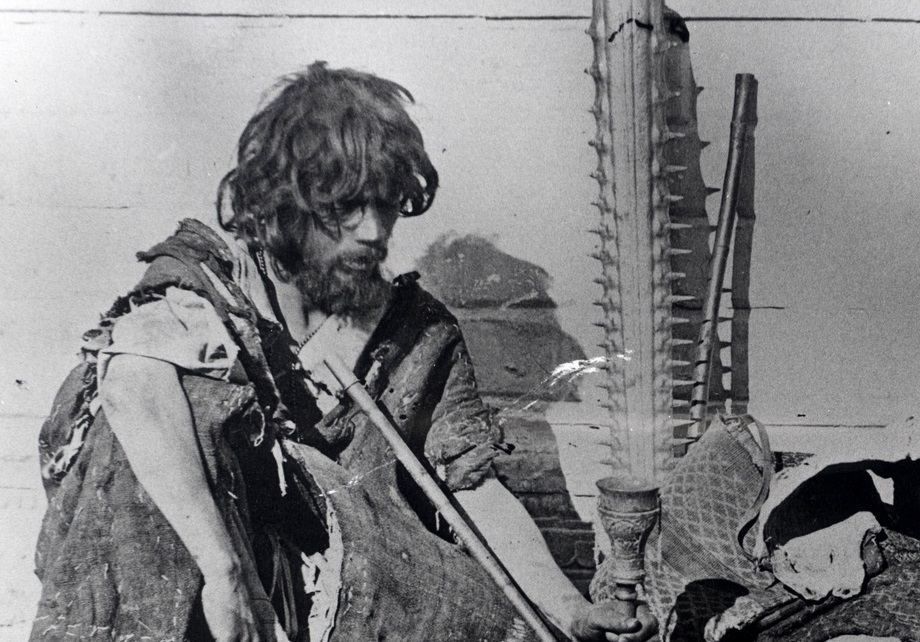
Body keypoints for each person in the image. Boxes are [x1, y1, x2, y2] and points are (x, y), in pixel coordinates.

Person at [32, 62, 657, 642]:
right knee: (159, 431)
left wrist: (570, 609)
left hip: (369, 587)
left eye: (385, 204)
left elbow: (473, 488)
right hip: (225, 582)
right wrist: (226, 574)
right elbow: (132, 386)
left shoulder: (416, 330)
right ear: (284, 203)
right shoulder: (212, 284)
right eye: (347, 206)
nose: (374, 231)